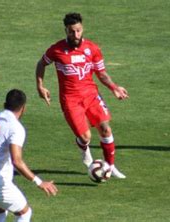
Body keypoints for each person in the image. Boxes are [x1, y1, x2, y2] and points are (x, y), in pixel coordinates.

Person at [35, 12, 129, 179]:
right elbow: (41, 63)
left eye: (78, 30)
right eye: (72, 31)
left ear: (82, 28)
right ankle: (84, 150)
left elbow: (101, 73)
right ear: (66, 31)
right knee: (85, 136)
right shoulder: (56, 50)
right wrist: (40, 86)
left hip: (91, 95)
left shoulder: (92, 49)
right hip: (70, 100)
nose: (76, 34)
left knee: (106, 129)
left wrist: (114, 87)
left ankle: (110, 166)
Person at [0, 89, 58, 222]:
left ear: (5, 104)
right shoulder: (15, 127)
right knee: (24, 213)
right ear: (23, 108)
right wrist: (39, 182)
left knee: (0, 211)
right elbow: (17, 161)